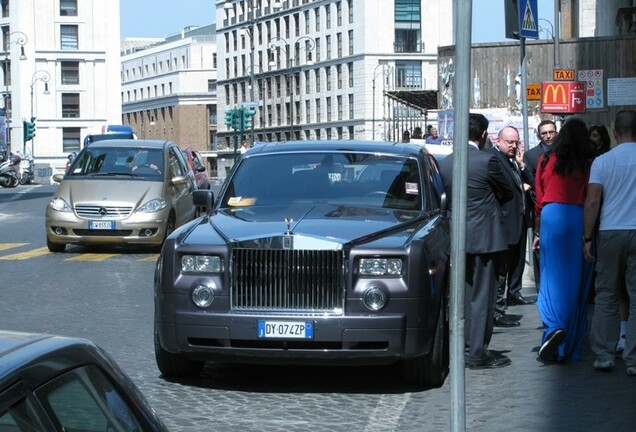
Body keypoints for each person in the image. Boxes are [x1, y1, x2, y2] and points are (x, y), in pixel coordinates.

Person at [439, 113, 514, 369]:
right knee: (483, 296)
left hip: (457, 236)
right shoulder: (487, 160)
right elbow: (508, 190)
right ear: (483, 135)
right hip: (485, 236)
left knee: (461, 294)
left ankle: (462, 347)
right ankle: (478, 352)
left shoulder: (445, 163)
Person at [534, 117, 595, 363]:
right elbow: (591, 194)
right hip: (576, 215)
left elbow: (539, 198)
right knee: (574, 277)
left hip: (551, 215)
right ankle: (567, 340)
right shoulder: (588, 162)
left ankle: (554, 327)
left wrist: (538, 230)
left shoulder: (547, 159)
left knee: (551, 275)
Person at [583, 109, 636, 375]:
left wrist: (588, 237)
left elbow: (592, 201)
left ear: (614, 133)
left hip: (611, 230)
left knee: (606, 294)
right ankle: (634, 358)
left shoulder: (602, 161)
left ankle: (604, 353)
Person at [491, 126, 536, 326]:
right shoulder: (495, 160)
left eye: (516, 142)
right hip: (504, 224)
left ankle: (513, 294)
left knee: (515, 263)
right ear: (498, 140)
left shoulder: (513, 161)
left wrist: (522, 166)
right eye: (509, 142)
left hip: (518, 221)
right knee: (501, 269)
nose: (513, 145)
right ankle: (498, 310)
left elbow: (533, 184)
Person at [524, 119, 558, 291]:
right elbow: (529, 180)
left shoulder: (564, 152)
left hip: (558, 207)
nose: (548, 136)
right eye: (544, 133)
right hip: (539, 207)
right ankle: (541, 287)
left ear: (556, 132)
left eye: (551, 132)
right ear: (539, 135)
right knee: (540, 250)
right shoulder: (531, 155)